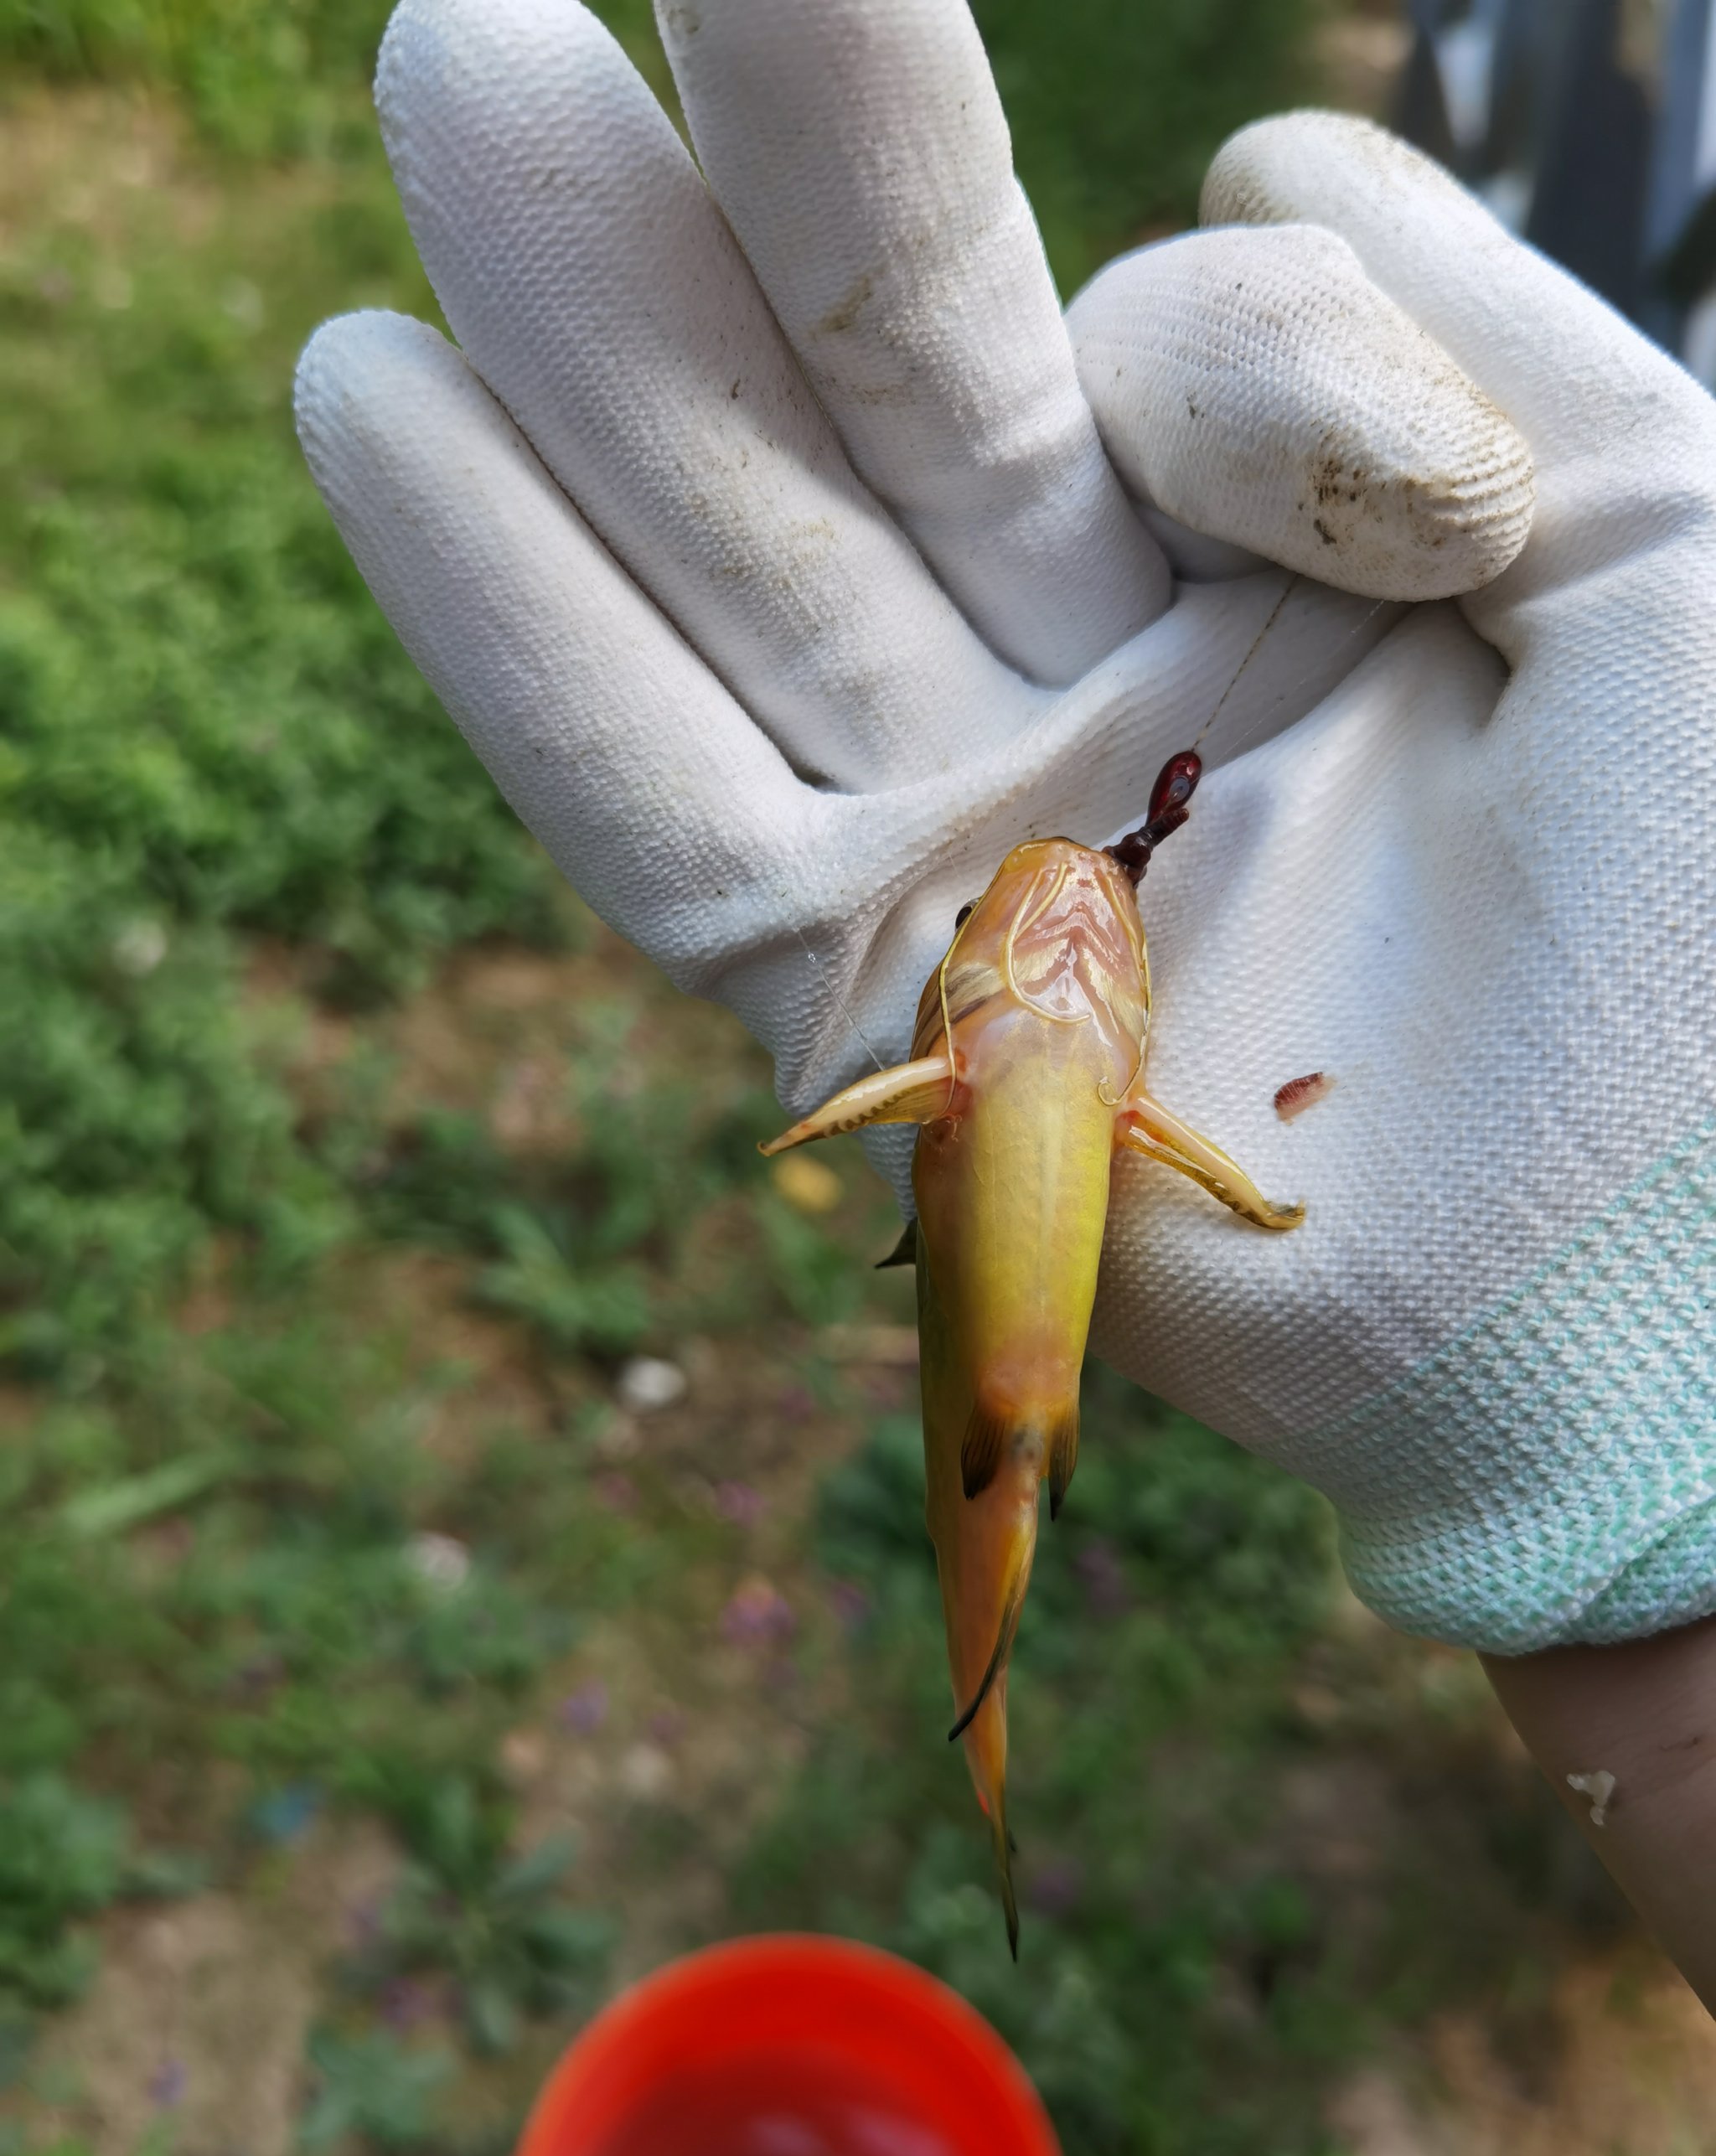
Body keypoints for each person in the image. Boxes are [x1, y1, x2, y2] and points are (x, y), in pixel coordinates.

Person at [294, 0, 1716, 2008]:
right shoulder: (1041, 1060)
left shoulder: (982, 1039)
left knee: (1011, 1453)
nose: (1049, 927)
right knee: (1008, 1452)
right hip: (1036, 1271)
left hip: (1036, 1224)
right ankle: (985, 1741)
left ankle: (991, 1750)